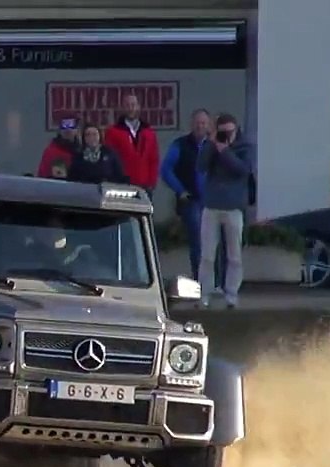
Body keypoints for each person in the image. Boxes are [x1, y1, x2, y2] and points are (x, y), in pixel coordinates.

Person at [196, 112, 255, 309]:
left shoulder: (245, 146)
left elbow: (243, 170)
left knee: (234, 255)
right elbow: (201, 166)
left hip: (234, 207)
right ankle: (204, 293)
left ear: (236, 129)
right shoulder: (212, 145)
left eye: (230, 132)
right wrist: (212, 144)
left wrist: (225, 151)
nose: (226, 136)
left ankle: (231, 294)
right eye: (223, 132)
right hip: (212, 205)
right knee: (207, 255)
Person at [161, 108, 226, 287]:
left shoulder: (216, 145)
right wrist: (180, 190)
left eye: (204, 123)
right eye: (197, 123)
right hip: (192, 201)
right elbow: (166, 169)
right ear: (192, 124)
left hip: (214, 201)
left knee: (217, 243)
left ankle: (218, 283)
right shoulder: (180, 144)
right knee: (198, 241)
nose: (200, 126)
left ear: (209, 126)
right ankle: (201, 283)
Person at [102, 93, 160, 194]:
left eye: (133, 105)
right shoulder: (113, 132)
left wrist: (152, 182)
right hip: (122, 185)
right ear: (122, 108)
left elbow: (154, 159)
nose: (130, 108)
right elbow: (110, 160)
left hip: (144, 185)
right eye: (127, 105)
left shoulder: (148, 132)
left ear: (138, 107)